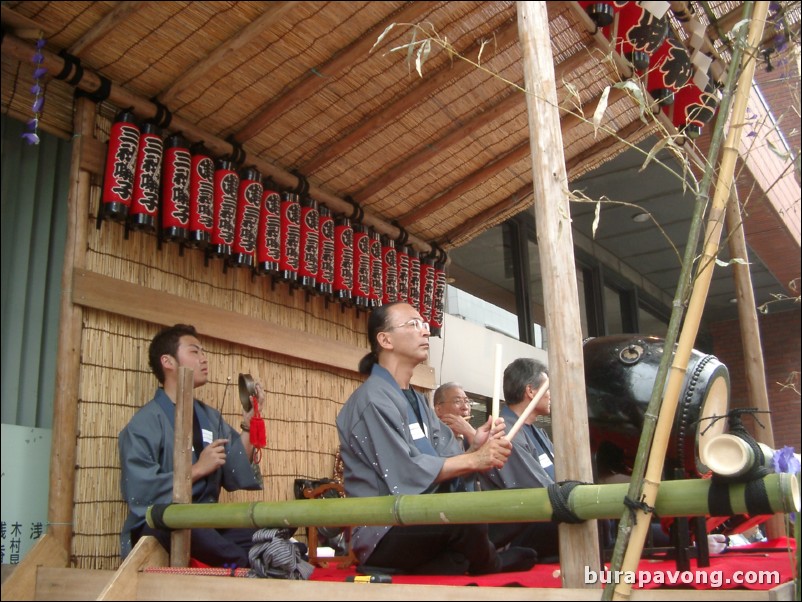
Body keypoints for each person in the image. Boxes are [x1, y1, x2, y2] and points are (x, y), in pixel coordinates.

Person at [336, 302, 538, 575]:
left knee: (519, 505)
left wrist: (476, 445)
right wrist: (475, 459)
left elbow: (446, 458)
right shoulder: (372, 401)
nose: (425, 332)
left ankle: (458, 560)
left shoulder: (417, 400)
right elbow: (406, 474)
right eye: (413, 324)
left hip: (425, 517)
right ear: (385, 339)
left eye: (424, 324)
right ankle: (489, 562)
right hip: (387, 528)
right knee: (464, 517)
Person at [119, 324, 264, 567]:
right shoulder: (143, 424)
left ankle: (256, 558)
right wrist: (197, 469)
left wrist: (249, 425)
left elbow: (235, 470)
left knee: (273, 529)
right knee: (193, 529)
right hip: (163, 521)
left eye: (203, 353)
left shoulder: (209, 416)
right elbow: (140, 491)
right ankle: (250, 564)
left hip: (207, 520)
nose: (204, 359)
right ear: (168, 361)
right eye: (195, 352)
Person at [478, 357, 561, 562]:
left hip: (548, 513)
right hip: (524, 524)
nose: (550, 395)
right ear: (531, 391)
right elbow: (536, 490)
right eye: (547, 388)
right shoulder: (505, 431)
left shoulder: (537, 432)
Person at [433, 382, 476, 450]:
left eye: (467, 401)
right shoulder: (432, 438)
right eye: (457, 401)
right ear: (439, 410)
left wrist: (471, 433)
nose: (465, 407)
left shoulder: (469, 436)